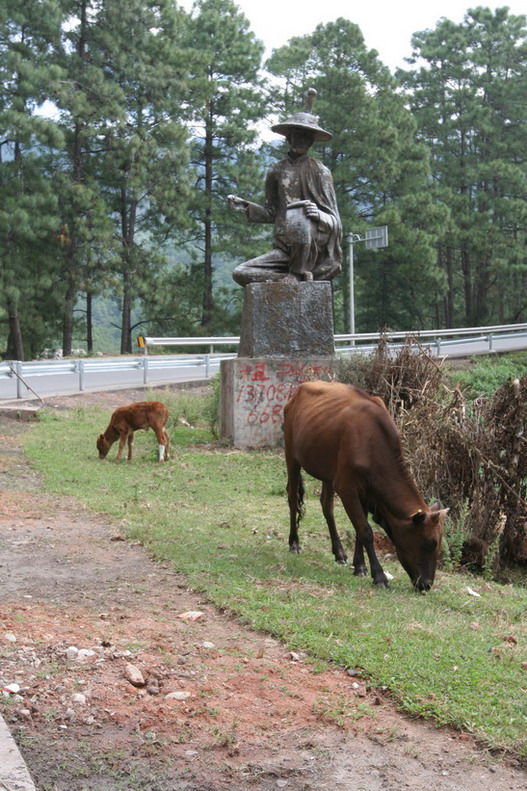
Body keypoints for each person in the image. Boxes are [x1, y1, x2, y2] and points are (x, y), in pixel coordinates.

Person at [228, 89, 342, 286]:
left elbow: (335, 222)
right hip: (283, 249)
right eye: (296, 135)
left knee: (300, 223)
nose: (301, 140)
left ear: (312, 140)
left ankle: (299, 273)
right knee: (241, 272)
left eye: (306, 137)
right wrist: (246, 206)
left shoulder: (320, 172)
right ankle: (292, 278)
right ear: (288, 137)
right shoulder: (276, 171)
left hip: (310, 248)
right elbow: (273, 212)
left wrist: (318, 215)